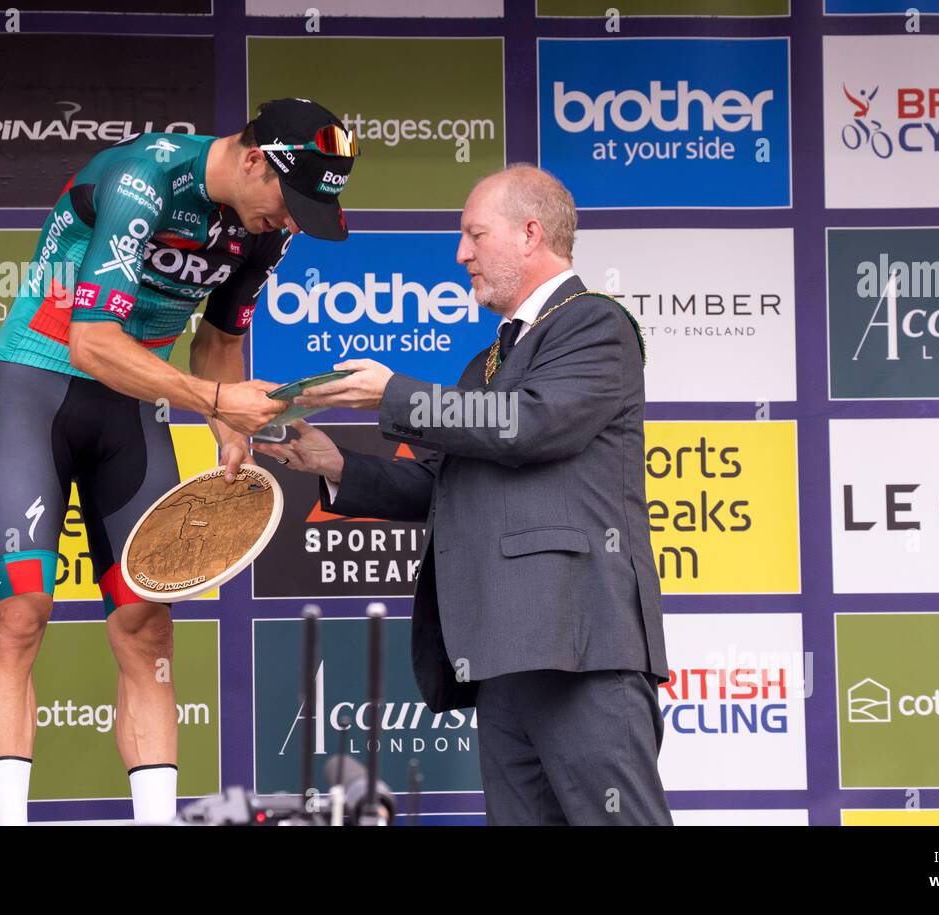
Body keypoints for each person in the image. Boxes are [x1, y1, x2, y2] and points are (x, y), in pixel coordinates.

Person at [0, 98, 358, 825]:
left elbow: (217, 339)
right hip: (36, 380)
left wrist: (227, 429)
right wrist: (214, 396)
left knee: (148, 623)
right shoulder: (143, 180)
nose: (290, 221)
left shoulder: (266, 232)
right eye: (289, 201)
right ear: (252, 160)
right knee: (20, 608)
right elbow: (90, 342)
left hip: (134, 401)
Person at [255, 164, 671, 825]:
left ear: (531, 233)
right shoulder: (485, 364)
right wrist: (333, 461)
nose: (461, 253)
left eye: (475, 234)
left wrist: (392, 393)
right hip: (500, 652)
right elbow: (439, 481)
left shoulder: (595, 325)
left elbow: (528, 426)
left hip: (579, 647)